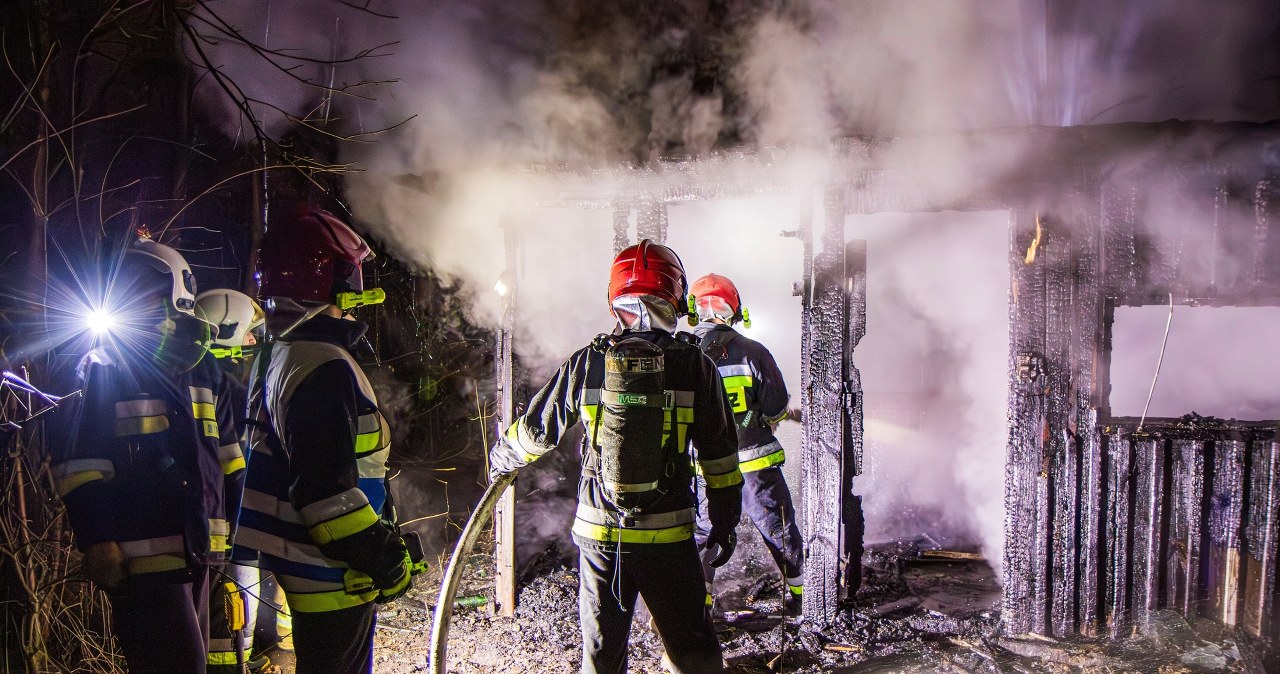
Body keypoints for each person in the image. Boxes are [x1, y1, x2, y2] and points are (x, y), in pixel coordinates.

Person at [490, 239, 743, 674]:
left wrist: (501, 459)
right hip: (670, 535)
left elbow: (535, 432)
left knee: (603, 656)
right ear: (675, 297)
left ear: (615, 300)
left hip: (602, 538)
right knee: (693, 654)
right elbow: (719, 456)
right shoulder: (693, 364)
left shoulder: (588, 361)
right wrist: (724, 522)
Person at [232, 203, 411, 674]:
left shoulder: (283, 353)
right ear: (330, 282)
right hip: (332, 574)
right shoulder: (322, 364)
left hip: (306, 564)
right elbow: (323, 491)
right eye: (350, 277)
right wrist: (379, 555)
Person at [55, 237, 243, 673]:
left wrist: (233, 540)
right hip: (141, 560)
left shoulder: (207, 370)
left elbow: (232, 466)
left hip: (205, 552)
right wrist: (99, 542)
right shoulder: (102, 367)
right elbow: (80, 467)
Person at [688, 273, 804, 615]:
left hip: (704, 468)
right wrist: (776, 415)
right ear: (736, 311)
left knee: (706, 531)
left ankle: (700, 607)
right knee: (777, 527)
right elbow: (775, 407)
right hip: (754, 466)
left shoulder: (683, 356)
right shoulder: (753, 351)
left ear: (692, 310)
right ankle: (802, 598)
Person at [195, 288, 269, 672]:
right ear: (227, 330)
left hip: (215, 523)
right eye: (248, 332)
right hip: (230, 525)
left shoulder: (196, 378)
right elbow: (233, 466)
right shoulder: (232, 389)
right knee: (229, 618)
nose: (254, 340)